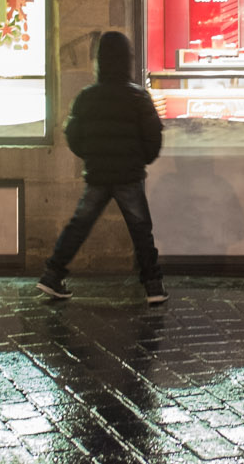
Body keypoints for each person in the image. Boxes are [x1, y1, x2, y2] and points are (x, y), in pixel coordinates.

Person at [37, 31, 168, 304]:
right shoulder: (138, 97)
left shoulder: (87, 97)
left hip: (98, 173)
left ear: (99, 61)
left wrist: (91, 156)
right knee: (141, 229)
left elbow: (73, 135)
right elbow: (153, 135)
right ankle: (153, 285)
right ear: (127, 60)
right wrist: (140, 159)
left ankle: (52, 275)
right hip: (128, 174)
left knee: (79, 225)